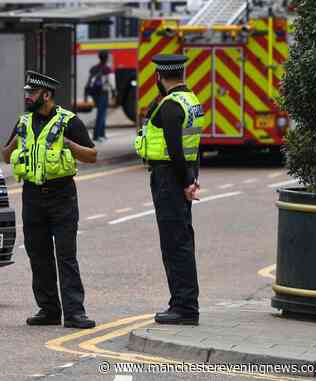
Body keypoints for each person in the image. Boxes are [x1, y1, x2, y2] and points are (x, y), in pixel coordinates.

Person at [2, 71, 97, 329]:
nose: (27, 97)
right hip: (32, 196)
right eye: (26, 92)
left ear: (46, 95)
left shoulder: (69, 121)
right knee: (38, 255)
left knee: (66, 256)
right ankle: (49, 309)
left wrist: (69, 144)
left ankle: (75, 313)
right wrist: (12, 147)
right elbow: (4, 153)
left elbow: (92, 155)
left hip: (61, 195)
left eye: (31, 93)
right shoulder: (24, 122)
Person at [134, 55, 204, 325]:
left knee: (175, 244)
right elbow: (192, 147)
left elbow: (175, 149)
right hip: (181, 175)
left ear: (159, 78)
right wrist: (192, 178)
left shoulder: (171, 105)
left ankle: (184, 308)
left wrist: (186, 182)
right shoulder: (190, 101)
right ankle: (182, 303)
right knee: (181, 240)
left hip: (169, 178)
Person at [85, 50, 115, 142]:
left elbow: (89, 82)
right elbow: (111, 82)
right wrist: (114, 92)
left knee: (101, 113)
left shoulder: (94, 68)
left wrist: (86, 96)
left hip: (95, 94)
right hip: (103, 93)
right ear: (106, 58)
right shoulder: (107, 69)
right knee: (101, 115)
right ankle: (96, 135)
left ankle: (102, 134)